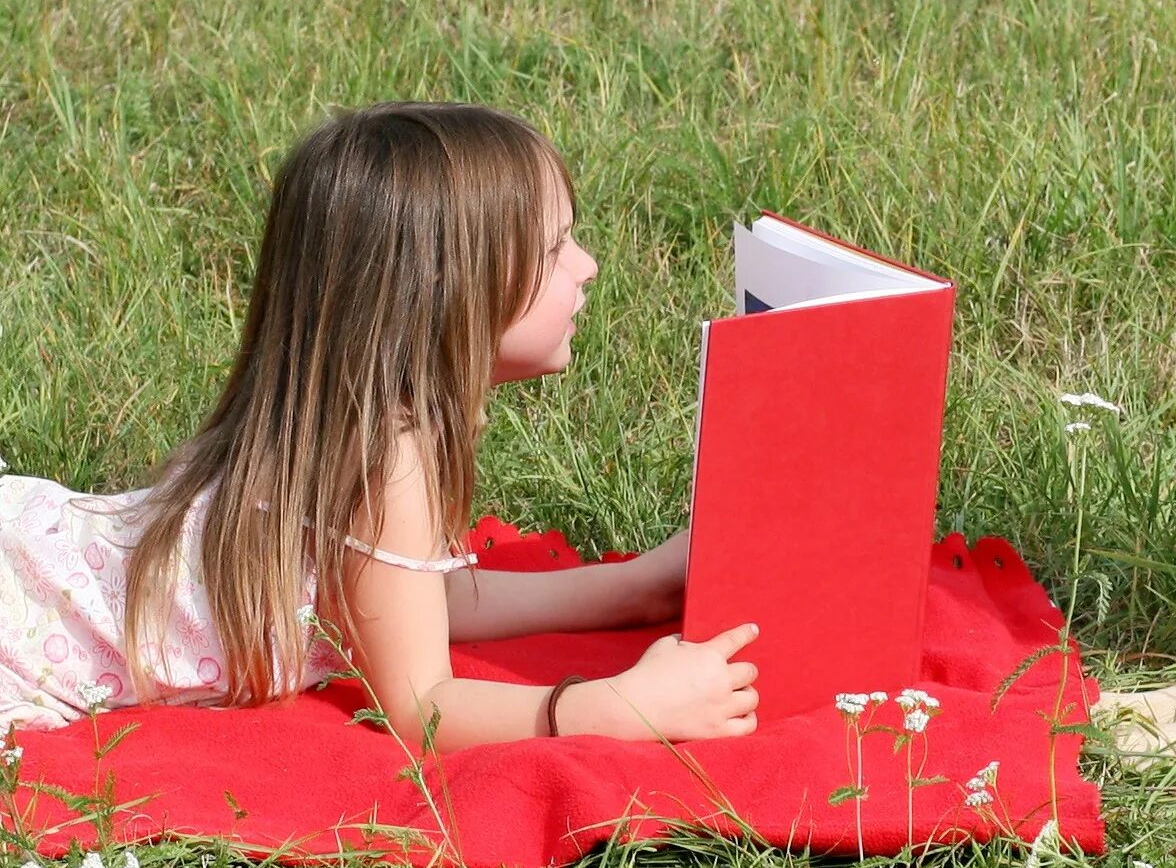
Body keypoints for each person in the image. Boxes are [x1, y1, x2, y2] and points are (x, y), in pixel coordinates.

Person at [0, 103, 760, 749]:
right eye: (555, 248)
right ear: (450, 288)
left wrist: (638, 585)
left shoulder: (356, 427)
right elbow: (421, 705)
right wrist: (619, 708)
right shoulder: (385, 456)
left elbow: (416, 601)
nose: (587, 266)